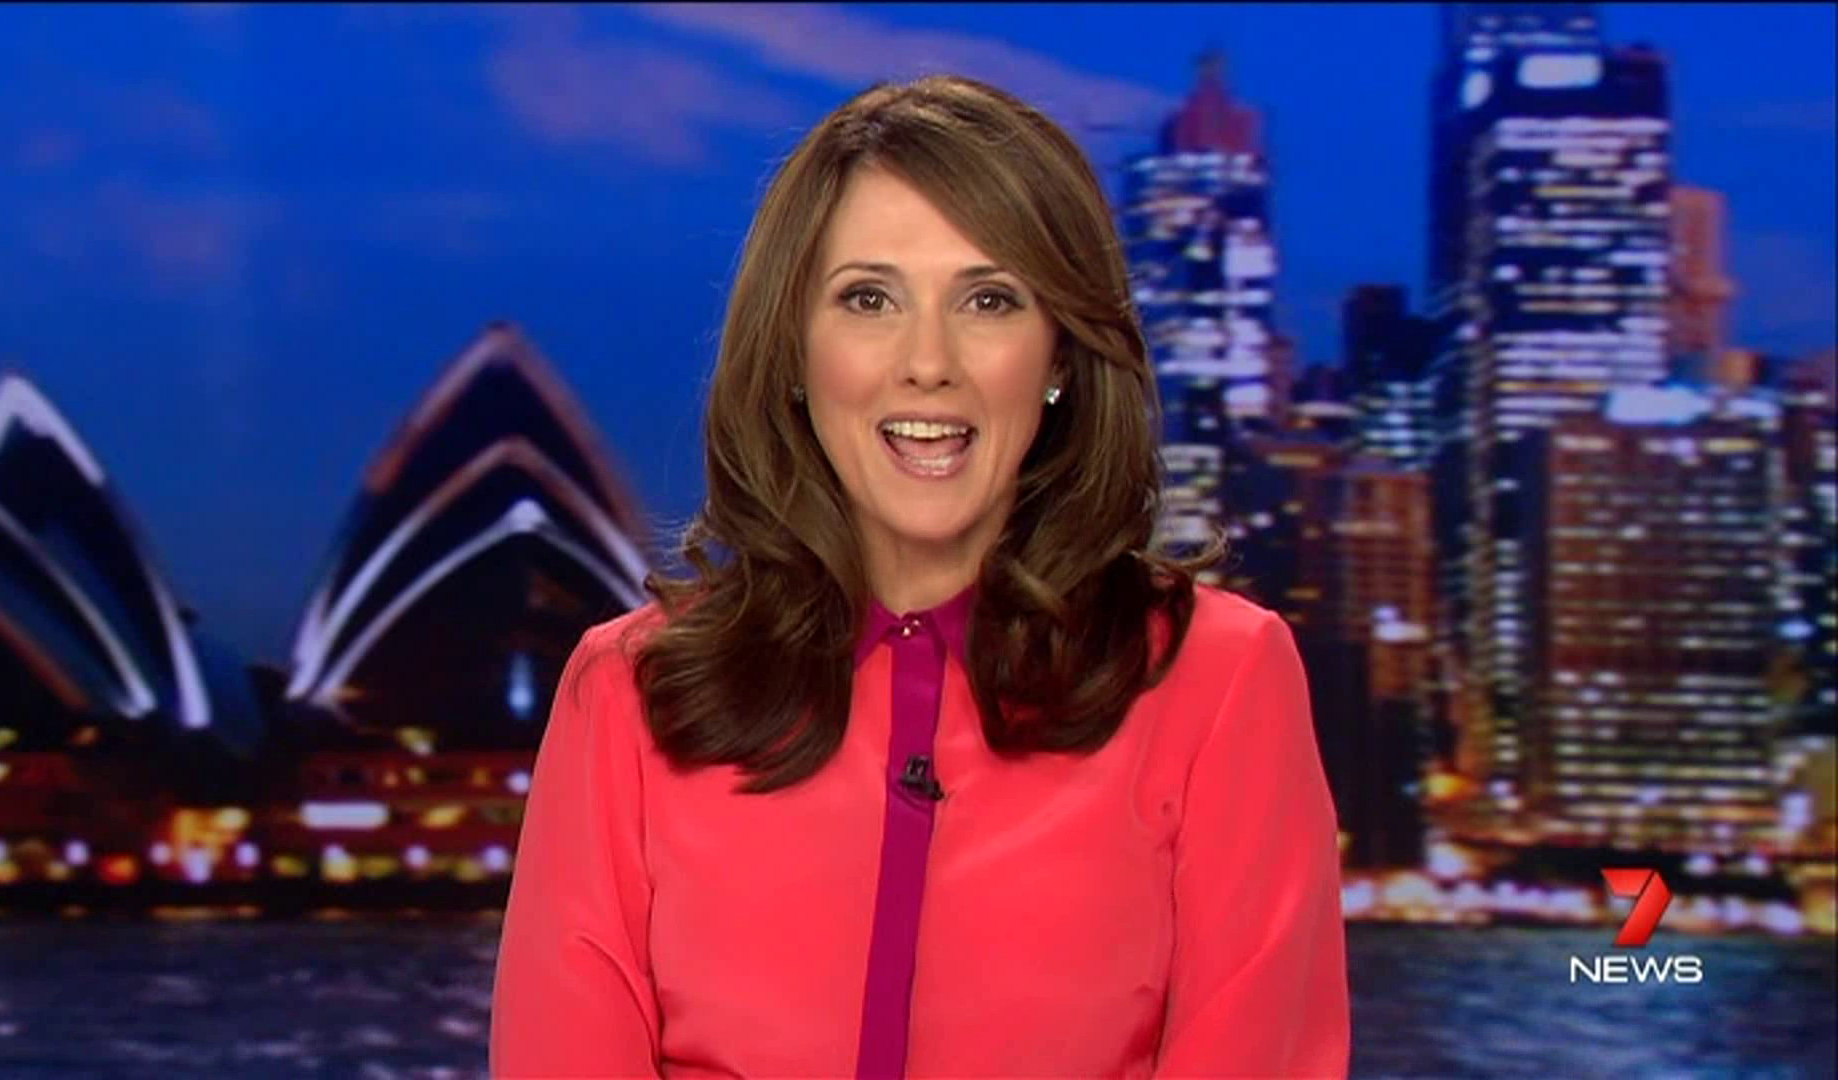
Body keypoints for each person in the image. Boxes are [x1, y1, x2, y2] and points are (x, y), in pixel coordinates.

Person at [491, 73, 1349, 1078]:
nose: (927, 362)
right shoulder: (628, 698)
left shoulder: (1218, 681)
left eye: (989, 300)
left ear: (1060, 356)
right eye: (869, 299)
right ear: (795, 353)